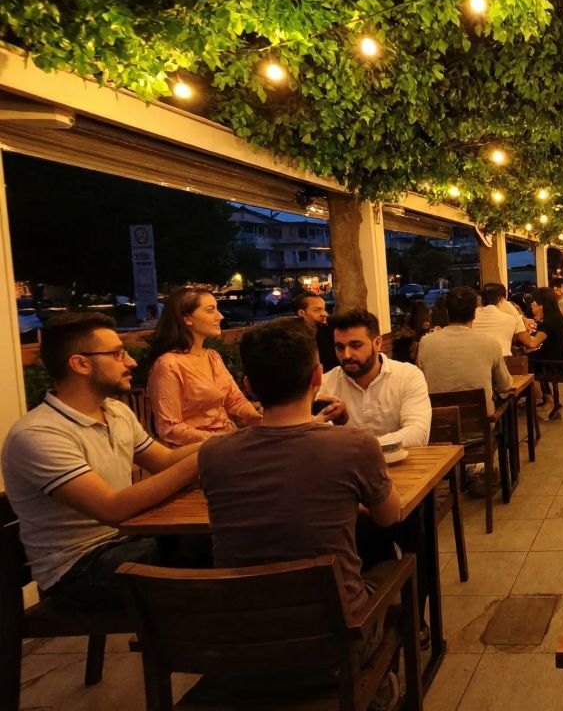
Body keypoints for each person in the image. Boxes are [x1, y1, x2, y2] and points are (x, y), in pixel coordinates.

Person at [198, 317, 401, 705]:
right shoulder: (354, 446)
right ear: (317, 377)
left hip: (243, 647)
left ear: (248, 385)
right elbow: (389, 517)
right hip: (336, 641)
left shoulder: (213, 455)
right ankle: (379, 683)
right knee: (396, 562)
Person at [1, 312, 203, 610]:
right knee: (216, 564)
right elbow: (111, 508)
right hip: (79, 568)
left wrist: (232, 442)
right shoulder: (38, 434)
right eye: (118, 354)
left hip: (127, 542)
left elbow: (167, 460)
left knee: (229, 542)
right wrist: (204, 457)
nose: (131, 362)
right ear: (80, 363)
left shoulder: (115, 412)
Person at [147, 286, 261, 445]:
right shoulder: (168, 365)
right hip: (196, 452)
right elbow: (169, 429)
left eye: (217, 310)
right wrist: (220, 439)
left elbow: (235, 400)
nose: (220, 316)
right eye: (210, 310)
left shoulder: (212, 356)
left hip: (228, 442)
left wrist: (258, 418)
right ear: (186, 318)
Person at [319, 308, 431, 447]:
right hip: (348, 468)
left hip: (402, 465)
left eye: (356, 345)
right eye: (340, 347)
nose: (346, 355)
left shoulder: (407, 376)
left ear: (378, 343)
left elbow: (417, 435)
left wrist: (365, 448)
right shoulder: (326, 383)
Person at [417, 287, 513, 408]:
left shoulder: (426, 343)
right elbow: (505, 385)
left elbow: (420, 381)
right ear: (474, 313)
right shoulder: (490, 343)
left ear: (447, 312)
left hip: (440, 421)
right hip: (480, 422)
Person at [528, 286, 563, 420]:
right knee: (531, 358)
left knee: (527, 361)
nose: (533, 306)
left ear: (542, 305)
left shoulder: (550, 321)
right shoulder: (556, 316)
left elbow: (533, 343)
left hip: (553, 363)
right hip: (558, 357)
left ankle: (548, 401)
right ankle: (548, 399)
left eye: (535, 303)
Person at [476, 282, 546, 355]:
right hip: (502, 359)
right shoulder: (510, 316)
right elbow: (529, 342)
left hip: (477, 359)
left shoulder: (473, 315)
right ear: (501, 299)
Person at [292, 291, 339, 372]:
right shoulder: (293, 338)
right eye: (317, 310)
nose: (324, 313)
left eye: (324, 309)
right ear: (301, 313)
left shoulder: (332, 327)